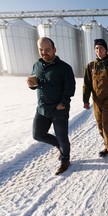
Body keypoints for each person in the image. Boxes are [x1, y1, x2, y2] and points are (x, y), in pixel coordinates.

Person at [27, 37, 76, 175]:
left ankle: (65, 160)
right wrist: (32, 85)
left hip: (58, 110)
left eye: (47, 50)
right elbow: (37, 82)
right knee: (37, 134)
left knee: (62, 137)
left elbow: (70, 88)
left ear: (54, 49)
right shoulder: (37, 65)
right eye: (41, 50)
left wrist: (63, 103)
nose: (44, 52)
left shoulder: (64, 68)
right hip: (42, 108)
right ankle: (58, 145)